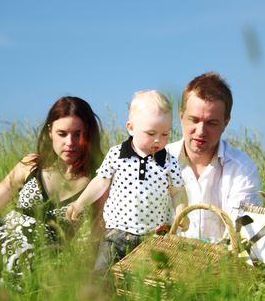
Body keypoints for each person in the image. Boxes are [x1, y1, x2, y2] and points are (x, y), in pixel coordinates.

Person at [0, 96, 103, 288]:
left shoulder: (99, 180)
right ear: (50, 132)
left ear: (88, 134)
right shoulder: (30, 165)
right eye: (62, 133)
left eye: (77, 134)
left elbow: (95, 237)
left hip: (45, 257)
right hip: (4, 237)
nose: (70, 142)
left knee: (27, 245)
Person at [66, 90, 188, 276]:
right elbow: (100, 182)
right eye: (151, 133)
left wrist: (181, 212)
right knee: (102, 274)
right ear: (130, 128)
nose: (158, 140)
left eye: (165, 134)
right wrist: (80, 203)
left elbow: (177, 191)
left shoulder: (169, 161)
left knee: (151, 281)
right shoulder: (117, 154)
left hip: (154, 236)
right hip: (116, 234)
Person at [165, 72, 263, 243]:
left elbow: (241, 237)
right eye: (194, 120)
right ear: (181, 117)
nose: (201, 131)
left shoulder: (242, 169)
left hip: (222, 266)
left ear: (226, 122)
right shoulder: (157, 161)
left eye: (211, 123)